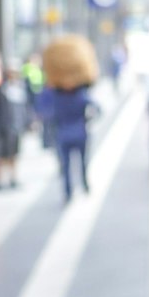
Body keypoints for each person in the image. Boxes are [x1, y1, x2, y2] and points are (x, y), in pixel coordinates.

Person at [38, 75, 95, 204]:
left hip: (63, 134)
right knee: (81, 162)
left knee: (66, 165)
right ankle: (83, 185)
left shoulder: (56, 96)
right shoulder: (80, 94)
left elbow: (45, 110)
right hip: (79, 133)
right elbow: (96, 107)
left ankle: (69, 192)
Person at [0, 66, 29, 190]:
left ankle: (13, 178)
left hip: (16, 127)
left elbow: (23, 109)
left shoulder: (19, 89)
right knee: (0, 156)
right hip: (2, 129)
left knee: (13, 155)